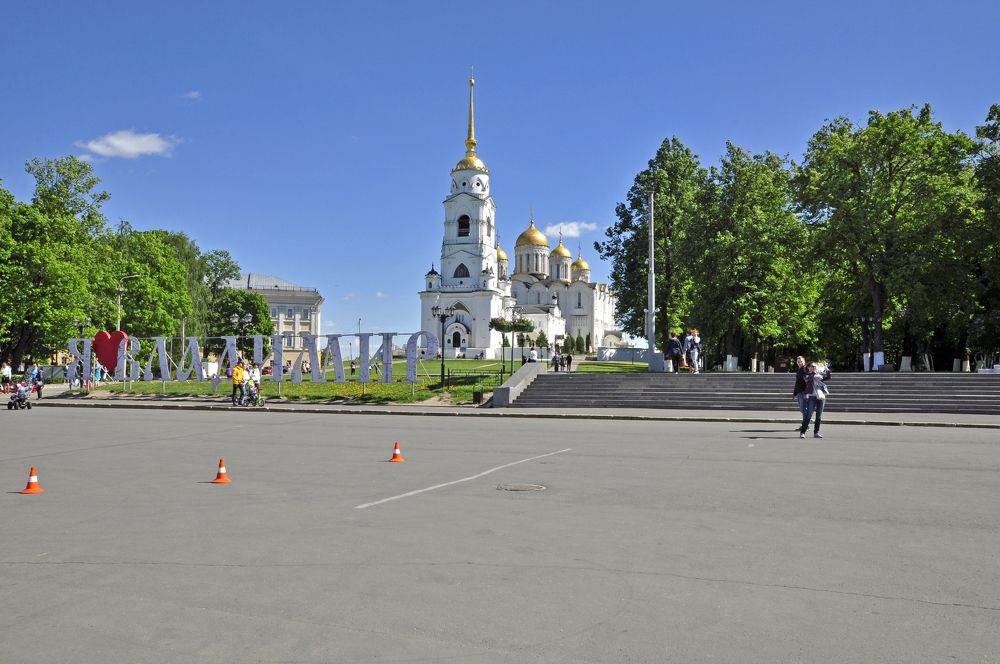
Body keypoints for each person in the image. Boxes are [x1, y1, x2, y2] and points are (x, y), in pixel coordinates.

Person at [799, 361, 830, 439]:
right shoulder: (806, 375)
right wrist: (814, 372)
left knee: (818, 416)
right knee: (808, 415)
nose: (814, 367)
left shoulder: (819, 375)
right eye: (812, 366)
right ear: (808, 368)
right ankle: (802, 432)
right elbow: (809, 378)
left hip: (820, 397)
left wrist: (826, 368)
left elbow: (828, 377)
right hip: (812, 397)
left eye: (815, 366)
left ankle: (816, 432)